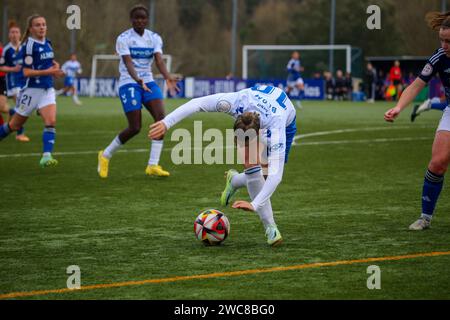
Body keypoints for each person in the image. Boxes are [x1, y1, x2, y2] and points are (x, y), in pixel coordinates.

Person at [149, 85, 297, 246]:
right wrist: (166, 123)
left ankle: (234, 180)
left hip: (285, 119)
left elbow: (276, 176)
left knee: (267, 175)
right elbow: (197, 103)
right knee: (251, 164)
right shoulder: (233, 103)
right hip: (258, 104)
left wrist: (254, 204)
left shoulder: (276, 128)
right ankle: (270, 227)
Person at [384, 11, 450, 230]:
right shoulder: (439, 57)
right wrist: (399, 107)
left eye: (449, 41)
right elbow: (416, 85)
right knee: (437, 162)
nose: (444, 45)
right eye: (442, 40)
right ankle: (425, 217)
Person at [97, 4, 179, 178]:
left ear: (147, 20)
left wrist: (167, 77)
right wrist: (137, 79)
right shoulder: (124, 38)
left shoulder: (154, 38)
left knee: (161, 121)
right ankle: (105, 155)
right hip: (129, 83)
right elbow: (128, 63)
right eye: (136, 18)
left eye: (143, 18)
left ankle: (153, 165)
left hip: (148, 82)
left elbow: (159, 61)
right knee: (135, 127)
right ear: (131, 20)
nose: (140, 21)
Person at [0, 14, 64, 167]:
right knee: (13, 126)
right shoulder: (29, 46)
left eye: (44, 24)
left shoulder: (48, 43)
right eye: (38, 25)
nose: (42, 27)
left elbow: (49, 62)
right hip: (30, 91)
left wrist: (55, 67)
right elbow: (26, 72)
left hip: (47, 89)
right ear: (30, 28)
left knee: (51, 121)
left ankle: (46, 156)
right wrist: (50, 71)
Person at [0, 21, 30, 142]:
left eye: (16, 32)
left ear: (20, 34)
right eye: (12, 32)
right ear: (9, 35)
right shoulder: (6, 50)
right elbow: (1, 67)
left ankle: (18, 129)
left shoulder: (24, 48)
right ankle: (19, 131)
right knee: (17, 106)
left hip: (24, 81)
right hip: (11, 82)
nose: (14, 34)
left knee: (20, 106)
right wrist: (12, 69)